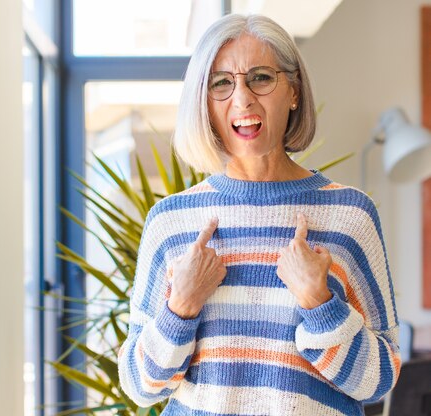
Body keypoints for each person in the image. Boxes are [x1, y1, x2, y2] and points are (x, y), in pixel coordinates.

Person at [117, 13, 400, 416]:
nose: (242, 99)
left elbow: (377, 381)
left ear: (295, 92)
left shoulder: (350, 217)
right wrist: (181, 305)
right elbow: (139, 386)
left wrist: (319, 302)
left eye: (261, 78)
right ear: (204, 102)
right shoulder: (170, 221)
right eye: (221, 83)